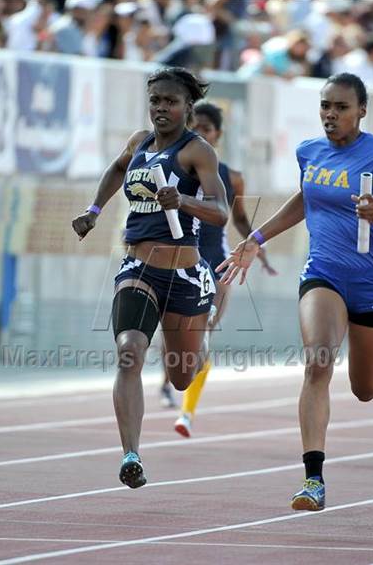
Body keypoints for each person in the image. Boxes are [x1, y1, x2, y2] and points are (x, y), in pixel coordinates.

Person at [217, 73, 373, 511]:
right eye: (325, 106)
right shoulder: (309, 151)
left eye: (341, 107)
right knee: (318, 362)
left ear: (362, 111)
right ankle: (313, 479)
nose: (331, 115)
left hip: (372, 282)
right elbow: (306, 197)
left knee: (365, 389)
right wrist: (257, 237)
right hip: (324, 274)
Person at [72, 67, 228, 489]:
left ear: (186, 108)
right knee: (129, 351)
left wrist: (183, 200)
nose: (161, 108)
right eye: (155, 100)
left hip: (184, 273)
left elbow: (221, 212)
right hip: (138, 268)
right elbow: (115, 170)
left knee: (181, 375)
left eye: (170, 101)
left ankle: (200, 341)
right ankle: (131, 454)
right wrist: (93, 211)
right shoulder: (137, 143)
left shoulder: (197, 153)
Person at [160, 100, 277, 435]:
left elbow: (239, 220)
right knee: (175, 339)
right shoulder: (171, 167)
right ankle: (169, 380)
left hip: (217, 264)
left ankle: (186, 414)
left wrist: (258, 247)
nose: (199, 134)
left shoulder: (231, 177)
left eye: (206, 129)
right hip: (177, 262)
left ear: (218, 134)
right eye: (193, 127)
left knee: (204, 335)